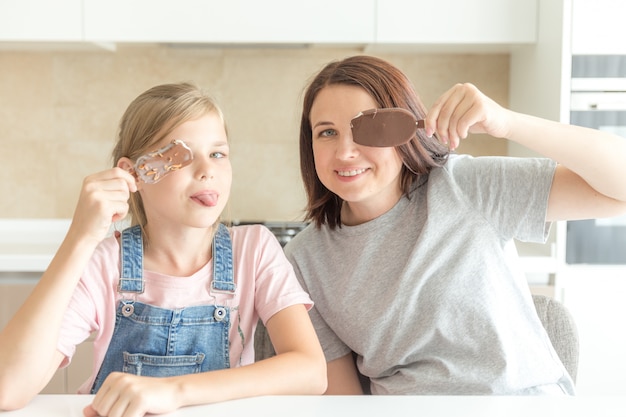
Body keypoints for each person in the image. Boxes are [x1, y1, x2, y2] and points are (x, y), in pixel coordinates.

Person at [284, 55, 626, 395]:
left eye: (367, 128)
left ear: (403, 130)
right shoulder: (303, 260)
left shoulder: (465, 186)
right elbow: (344, 400)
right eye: (327, 132)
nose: (345, 152)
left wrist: (507, 123)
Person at [0, 82, 327, 417]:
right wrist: (80, 238)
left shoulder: (254, 250)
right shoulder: (105, 264)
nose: (207, 170)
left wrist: (173, 391)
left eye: (217, 154)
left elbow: (311, 371)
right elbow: (7, 388)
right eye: (181, 156)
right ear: (135, 175)